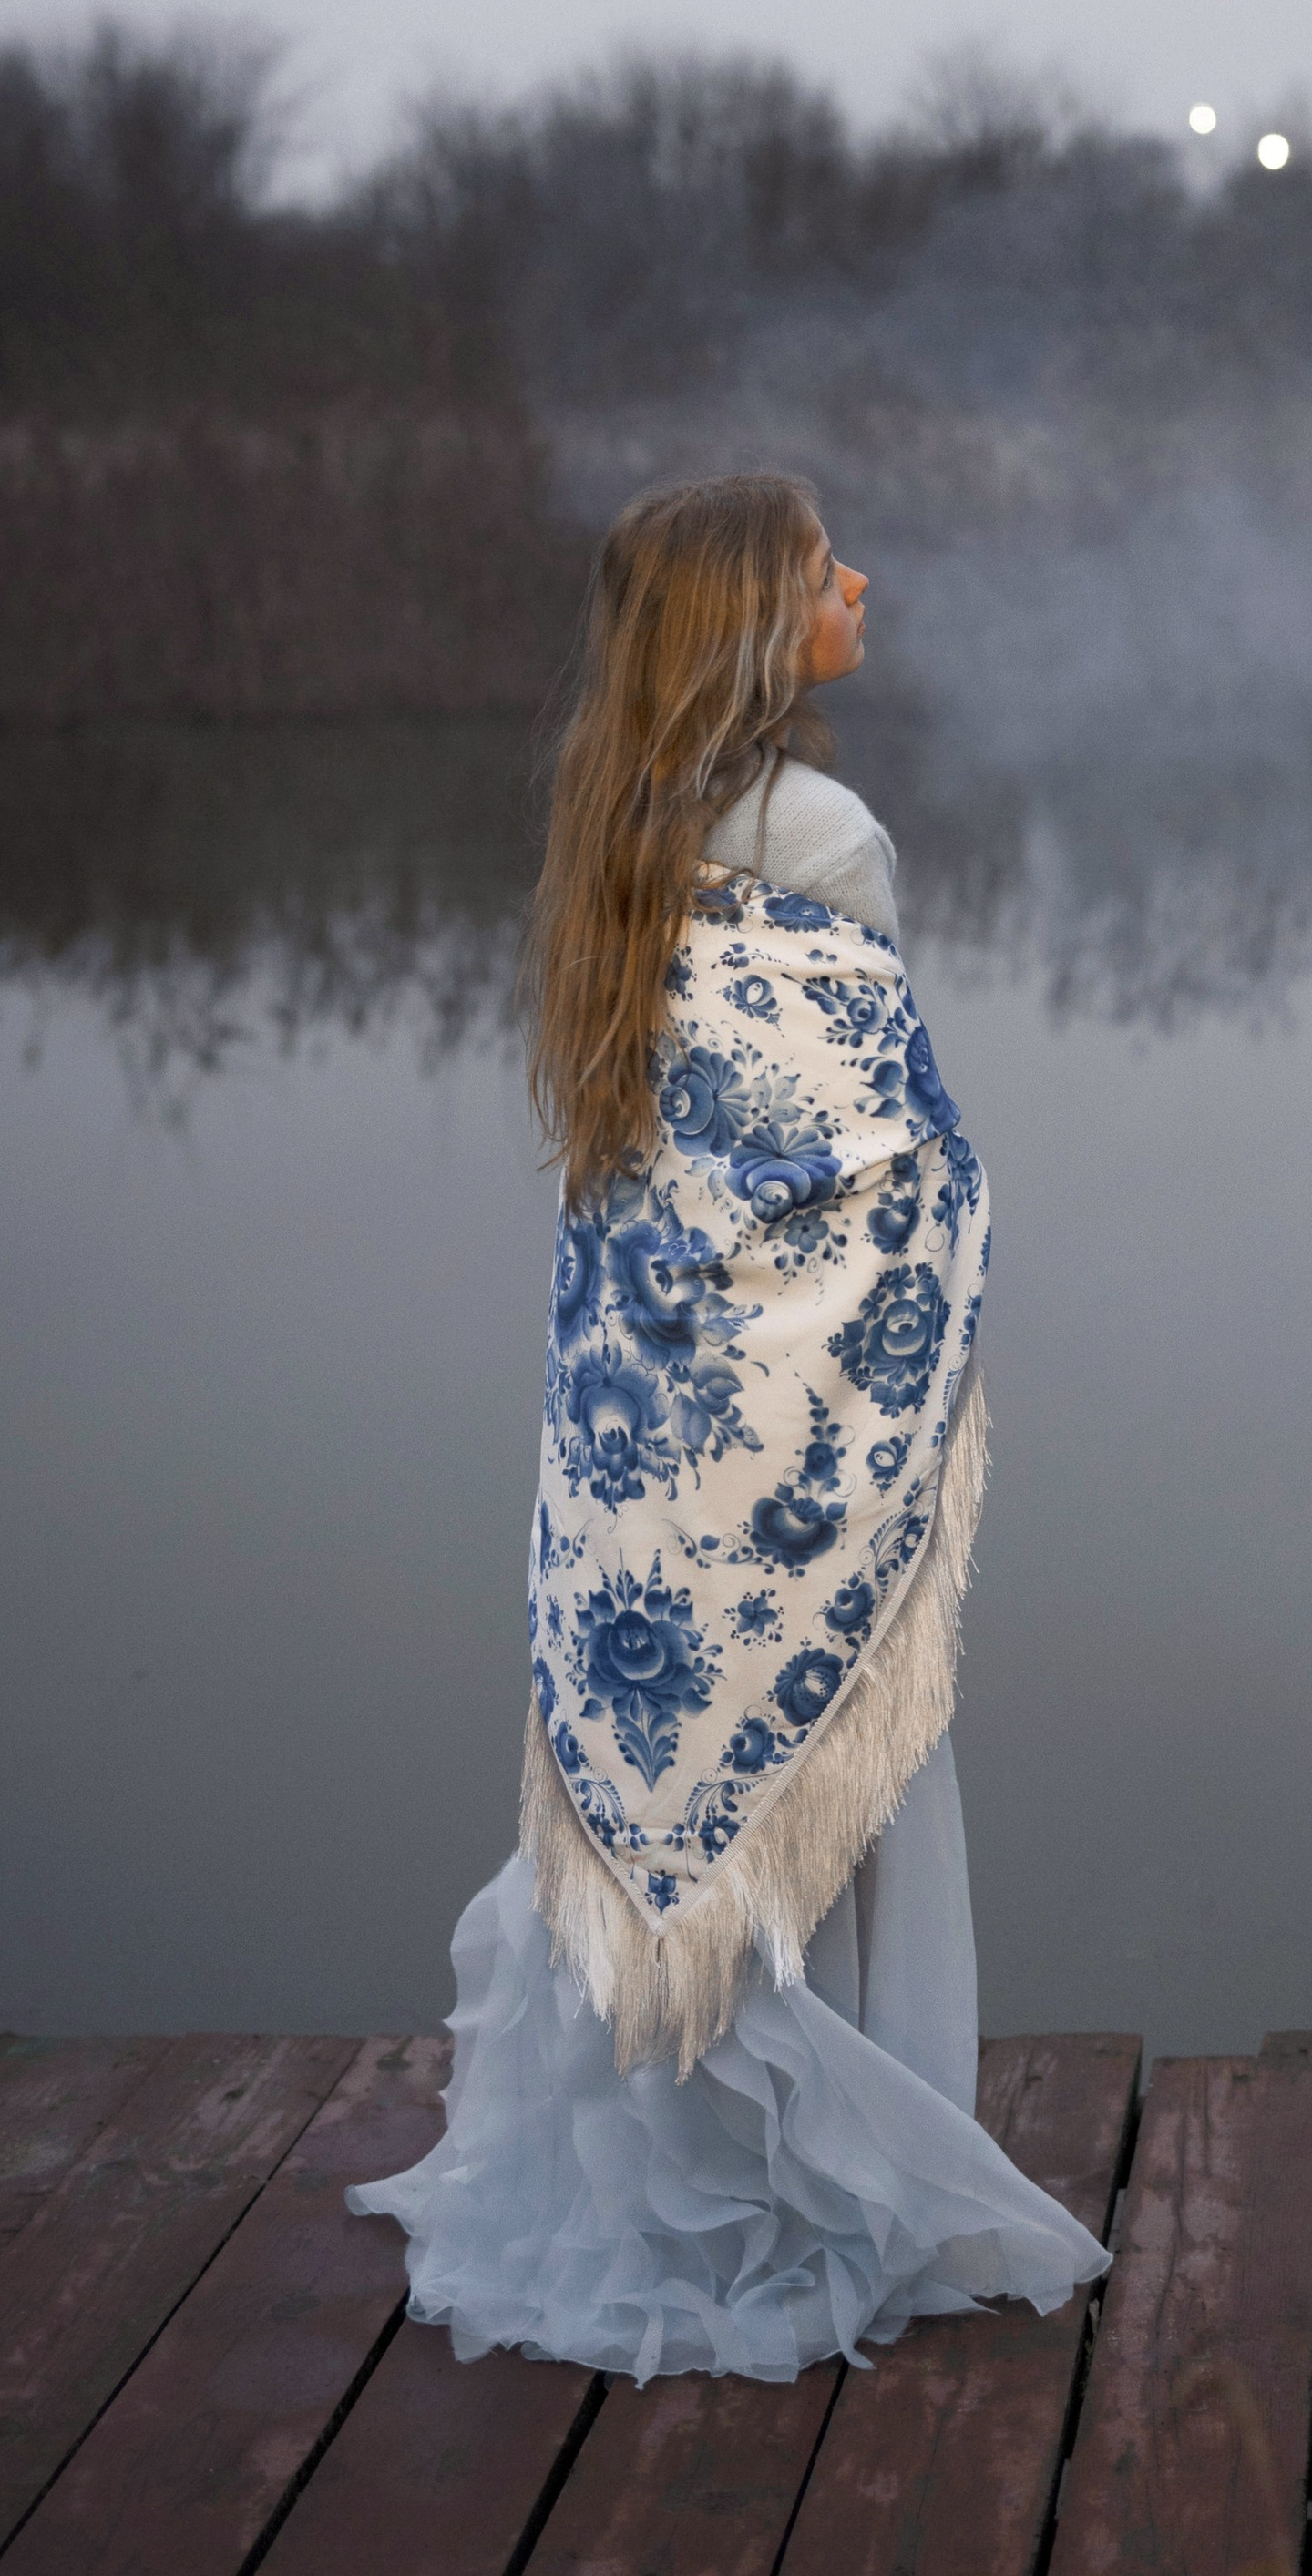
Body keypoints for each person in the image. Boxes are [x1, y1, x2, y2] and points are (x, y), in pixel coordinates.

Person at [348, 471, 1110, 2384]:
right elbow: (865, 1158)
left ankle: (694, 2170)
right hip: (799, 1432)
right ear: (760, 625)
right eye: (823, 565)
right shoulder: (819, 831)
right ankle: (823, 2194)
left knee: (695, 1794)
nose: (865, 577)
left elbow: (674, 1185)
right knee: (829, 1776)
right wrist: (939, 1213)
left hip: (658, 1444)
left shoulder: (622, 831)